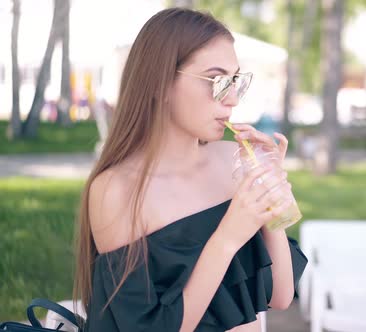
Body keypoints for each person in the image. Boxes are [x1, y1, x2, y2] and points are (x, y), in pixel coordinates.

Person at [73, 8, 308, 332]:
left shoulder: (232, 160)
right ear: (160, 84)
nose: (232, 99)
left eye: (236, 81)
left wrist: (270, 194)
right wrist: (227, 238)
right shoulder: (117, 190)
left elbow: (280, 296)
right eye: (217, 80)